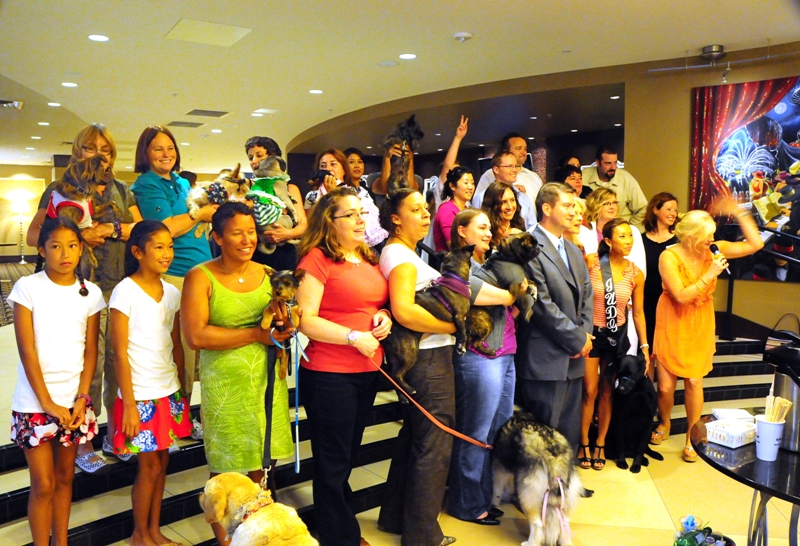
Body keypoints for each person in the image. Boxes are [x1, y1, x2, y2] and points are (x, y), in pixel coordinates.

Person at [376, 189, 513, 546]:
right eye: (415, 210)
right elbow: (405, 311)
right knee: (434, 444)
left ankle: (396, 517)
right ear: (394, 218)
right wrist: (455, 328)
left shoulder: (405, 252)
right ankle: (422, 535)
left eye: (426, 208)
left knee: (415, 439)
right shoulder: (400, 256)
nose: (425, 215)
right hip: (427, 358)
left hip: (429, 355)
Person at [27, 123, 142, 471]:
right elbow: (35, 235)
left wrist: (111, 229)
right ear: (78, 151)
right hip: (75, 290)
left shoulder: (123, 190)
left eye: (105, 149)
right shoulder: (59, 189)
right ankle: (82, 441)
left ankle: (114, 435)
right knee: (83, 366)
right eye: (91, 148)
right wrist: (77, 234)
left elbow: (141, 229)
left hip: (118, 288)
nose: (99, 155)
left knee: (118, 363)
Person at [181, 202, 293, 544]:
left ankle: (257, 534)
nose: (247, 240)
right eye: (237, 233)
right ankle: (225, 540)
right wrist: (257, 335)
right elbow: (196, 336)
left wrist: (285, 326)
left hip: (265, 379)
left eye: (251, 232)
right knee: (225, 468)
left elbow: (283, 322)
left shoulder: (270, 273)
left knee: (260, 463)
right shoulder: (201, 275)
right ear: (217, 236)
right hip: (225, 383)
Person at [295, 186, 392, 546]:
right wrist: (353, 337)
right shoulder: (316, 260)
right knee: (333, 460)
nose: (359, 220)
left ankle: (335, 523)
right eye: (349, 214)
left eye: (361, 213)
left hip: (366, 372)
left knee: (347, 456)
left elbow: (372, 303)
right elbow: (305, 319)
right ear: (329, 222)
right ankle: (341, 537)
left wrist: (383, 317)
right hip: (329, 372)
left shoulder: (367, 256)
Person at [10, 217, 104, 546]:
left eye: (73, 245)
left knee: (65, 479)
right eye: (55, 246)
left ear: (82, 250)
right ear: (41, 250)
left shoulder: (90, 292)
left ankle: (60, 542)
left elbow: (91, 351)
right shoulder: (28, 288)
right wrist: (47, 403)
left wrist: (81, 398)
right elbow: (27, 349)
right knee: (44, 484)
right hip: (34, 403)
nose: (65, 253)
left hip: (74, 403)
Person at [651, 205, 763, 462]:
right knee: (666, 387)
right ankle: (665, 423)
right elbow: (680, 296)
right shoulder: (668, 257)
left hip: (700, 319)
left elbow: (755, 244)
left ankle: (692, 434)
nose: (712, 241)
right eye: (706, 236)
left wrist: (740, 211)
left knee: (693, 381)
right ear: (690, 237)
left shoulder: (714, 249)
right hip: (673, 318)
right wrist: (711, 273)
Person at [110, 220, 191, 546]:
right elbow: (118, 352)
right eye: (159, 247)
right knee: (148, 466)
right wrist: (128, 404)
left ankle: (154, 530)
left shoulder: (171, 291)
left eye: (170, 246)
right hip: (139, 395)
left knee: (162, 462)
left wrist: (183, 393)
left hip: (167, 389)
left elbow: (176, 345)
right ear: (137, 252)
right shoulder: (124, 291)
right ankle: (139, 535)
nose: (167, 253)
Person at [131, 125, 217, 408]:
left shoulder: (181, 182)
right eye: (158, 148)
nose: (166, 154)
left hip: (204, 271)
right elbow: (165, 227)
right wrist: (199, 214)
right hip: (176, 274)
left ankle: (197, 413)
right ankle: (178, 414)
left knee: (203, 350)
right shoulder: (147, 184)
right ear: (146, 153)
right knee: (180, 350)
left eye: (170, 148)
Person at [447, 209, 523, 525]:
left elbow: (517, 301)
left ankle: (484, 497)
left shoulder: (493, 263)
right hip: (480, 359)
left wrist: (514, 297)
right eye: (481, 227)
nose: (489, 232)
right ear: (462, 232)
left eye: (490, 228)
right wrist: (514, 293)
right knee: (475, 434)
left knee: (495, 433)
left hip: (505, 355)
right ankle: (466, 504)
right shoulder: (455, 264)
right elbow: (479, 294)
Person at [516, 183, 593, 449]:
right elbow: (539, 304)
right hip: (545, 356)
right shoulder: (528, 246)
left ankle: (563, 488)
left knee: (567, 431)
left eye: (575, 206)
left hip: (573, 356)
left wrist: (584, 335)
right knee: (542, 437)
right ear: (547, 208)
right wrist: (575, 339)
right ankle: (539, 491)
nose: (574, 212)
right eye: (568, 206)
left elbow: (587, 294)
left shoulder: (572, 248)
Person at [579, 218, 648, 471]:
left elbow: (638, 314)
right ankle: (583, 441)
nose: (628, 241)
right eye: (622, 236)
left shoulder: (635, 273)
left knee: (608, 390)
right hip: (592, 336)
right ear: (607, 241)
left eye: (630, 236)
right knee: (589, 390)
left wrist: (644, 347)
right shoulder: (592, 263)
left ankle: (600, 443)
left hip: (616, 338)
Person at [245, 136, 309, 270]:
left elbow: (303, 224)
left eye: (259, 155)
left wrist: (287, 234)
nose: (254, 161)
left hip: (285, 252)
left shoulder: (290, 188)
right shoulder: (247, 187)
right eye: (250, 157)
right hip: (255, 251)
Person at [306, 148, 387, 248]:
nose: (328, 169)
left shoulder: (359, 192)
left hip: (366, 244)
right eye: (323, 166)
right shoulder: (312, 196)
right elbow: (313, 225)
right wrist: (328, 195)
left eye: (333, 164)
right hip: (331, 245)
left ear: (344, 169)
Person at [642, 193, 679, 366]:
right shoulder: (640, 240)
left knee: (667, 350)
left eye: (676, 210)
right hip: (645, 301)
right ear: (656, 210)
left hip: (670, 301)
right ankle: (647, 390)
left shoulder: (679, 241)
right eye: (668, 209)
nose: (673, 213)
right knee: (647, 351)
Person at [582, 145, 648, 229]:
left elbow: (643, 209)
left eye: (615, 162)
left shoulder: (626, 178)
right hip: (592, 231)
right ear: (598, 163)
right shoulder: (583, 177)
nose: (613, 167)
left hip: (621, 230)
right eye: (608, 163)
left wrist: (629, 228)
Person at [473, 133, 543, 206]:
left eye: (525, 149)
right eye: (519, 148)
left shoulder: (534, 176)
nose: (524, 153)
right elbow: (479, 202)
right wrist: (510, 189)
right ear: (506, 151)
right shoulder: (490, 174)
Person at [476, 152, 537, 229]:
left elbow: (533, 227)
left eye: (516, 166)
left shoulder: (523, 196)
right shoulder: (481, 197)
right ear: (496, 169)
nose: (515, 170)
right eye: (510, 166)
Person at [433, 166, 475, 251]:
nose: (470, 187)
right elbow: (454, 246)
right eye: (466, 183)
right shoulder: (446, 209)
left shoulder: (466, 209)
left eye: (472, 183)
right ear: (452, 186)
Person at [481, 182, 526, 248]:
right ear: (492, 205)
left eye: (512, 200)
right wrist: (501, 241)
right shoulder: (485, 230)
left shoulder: (519, 224)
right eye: (503, 202)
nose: (510, 207)